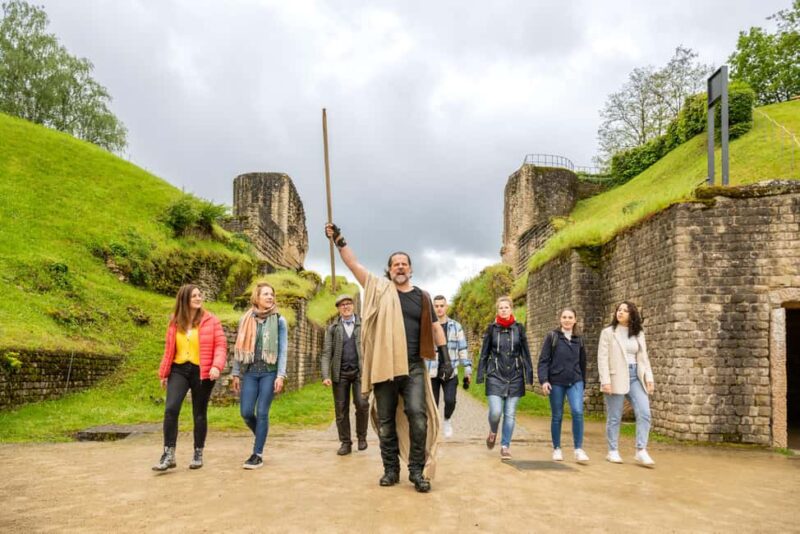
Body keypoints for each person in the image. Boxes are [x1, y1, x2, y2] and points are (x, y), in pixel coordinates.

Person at [325, 223, 451, 493]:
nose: (400, 267)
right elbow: (354, 265)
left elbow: (435, 328)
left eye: (404, 264)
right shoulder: (379, 289)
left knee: (418, 416)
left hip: (413, 366)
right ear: (389, 270)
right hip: (385, 366)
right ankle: (390, 470)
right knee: (386, 421)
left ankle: (416, 470)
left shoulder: (422, 297)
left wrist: (446, 358)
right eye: (396, 264)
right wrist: (339, 240)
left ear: (411, 269)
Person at [153, 284, 227, 471]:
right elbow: (169, 349)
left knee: (199, 413)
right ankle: (168, 454)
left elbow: (220, 346)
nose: (198, 298)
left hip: (202, 371)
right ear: (184, 299)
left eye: (199, 295)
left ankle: (198, 452)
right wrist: (164, 373)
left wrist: (217, 366)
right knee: (171, 409)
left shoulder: (212, 320)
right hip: (179, 369)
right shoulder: (175, 321)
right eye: (194, 295)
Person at [231, 282, 288, 470]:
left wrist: (280, 375)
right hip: (250, 373)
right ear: (257, 297)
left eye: (272, 294)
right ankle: (261, 436)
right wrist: (236, 373)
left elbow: (283, 350)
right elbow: (239, 347)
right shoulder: (246, 319)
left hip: (269, 373)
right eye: (265, 294)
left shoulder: (279, 320)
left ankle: (257, 454)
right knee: (246, 413)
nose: (270, 297)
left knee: (262, 412)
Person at [597, 301, 655, 466]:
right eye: (619, 310)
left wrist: (649, 378)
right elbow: (602, 358)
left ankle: (641, 450)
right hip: (616, 377)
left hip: (636, 376)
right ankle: (613, 451)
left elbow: (644, 358)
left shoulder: (638, 333)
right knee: (615, 416)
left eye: (625, 310)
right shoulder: (608, 333)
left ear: (632, 315)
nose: (620, 312)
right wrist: (605, 381)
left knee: (644, 412)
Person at [477, 296, 533, 460]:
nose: (503, 310)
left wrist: (529, 375)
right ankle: (493, 431)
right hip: (495, 375)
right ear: (498, 310)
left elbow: (526, 353)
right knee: (496, 412)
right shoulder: (491, 329)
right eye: (501, 308)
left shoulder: (519, 329)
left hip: (515, 376)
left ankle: (505, 446)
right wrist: (481, 374)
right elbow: (484, 353)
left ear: (511, 309)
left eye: (506, 307)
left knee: (510, 414)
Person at [537, 308, 589, 463]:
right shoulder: (552, 337)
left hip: (575, 381)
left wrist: (583, 382)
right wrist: (544, 380)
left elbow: (583, 362)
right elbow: (543, 361)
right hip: (556, 382)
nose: (567, 320)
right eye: (564, 317)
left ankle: (578, 449)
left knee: (577, 412)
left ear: (575, 320)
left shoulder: (579, 339)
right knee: (557, 415)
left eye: (570, 317)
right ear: (560, 319)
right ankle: (557, 448)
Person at [321, 293, 369, 455]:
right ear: (338, 309)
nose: (346, 306)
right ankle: (345, 443)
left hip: (360, 372)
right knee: (341, 409)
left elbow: (371, 347)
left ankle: (362, 437)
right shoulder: (333, 328)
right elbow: (326, 353)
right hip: (340, 374)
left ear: (353, 306)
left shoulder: (363, 325)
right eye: (342, 304)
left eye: (348, 303)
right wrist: (325, 375)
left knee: (362, 404)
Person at [426, 295, 472, 439]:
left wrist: (467, 368)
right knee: (432, 404)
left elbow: (462, 348)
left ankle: (447, 419)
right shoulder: (427, 326)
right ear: (432, 308)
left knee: (450, 401)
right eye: (436, 306)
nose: (439, 309)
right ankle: (433, 431)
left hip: (451, 370)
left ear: (446, 307)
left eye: (441, 306)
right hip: (432, 371)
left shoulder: (456, 326)